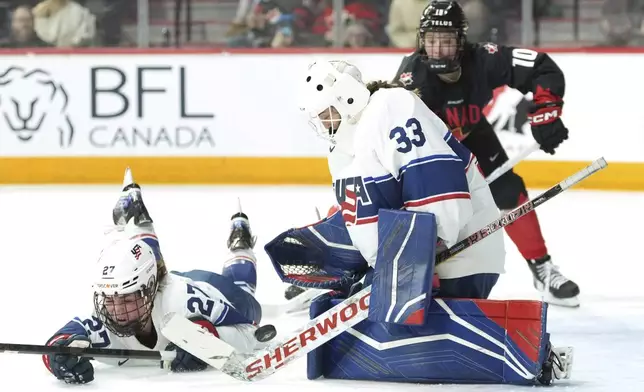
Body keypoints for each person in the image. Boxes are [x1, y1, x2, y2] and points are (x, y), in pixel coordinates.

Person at [392, 0, 579, 307]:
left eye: (447, 40)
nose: (437, 49)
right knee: (420, 207)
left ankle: (541, 269)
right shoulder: (412, 78)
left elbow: (541, 66)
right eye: (431, 40)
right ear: (421, 41)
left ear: (461, 41)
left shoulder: (483, 59)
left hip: (472, 134)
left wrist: (547, 111)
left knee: (509, 191)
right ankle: (372, 266)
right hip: (432, 149)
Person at [41, 169, 275, 384]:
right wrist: (58, 359)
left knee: (247, 300)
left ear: (149, 291)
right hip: (156, 285)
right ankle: (135, 211)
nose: (117, 310)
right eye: (110, 299)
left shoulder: (183, 301)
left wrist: (207, 337)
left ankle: (240, 245)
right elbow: (58, 341)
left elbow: (250, 333)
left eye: (126, 299)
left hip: (215, 287)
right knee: (143, 265)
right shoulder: (106, 317)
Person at [296, 59, 506, 300]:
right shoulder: (344, 149)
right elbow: (365, 219)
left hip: (459, 262)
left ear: (347, 97)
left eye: (326, 114)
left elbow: (438, 190)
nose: (323, 125)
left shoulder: (391, 107)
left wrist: (415, 260)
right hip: (409, 268)